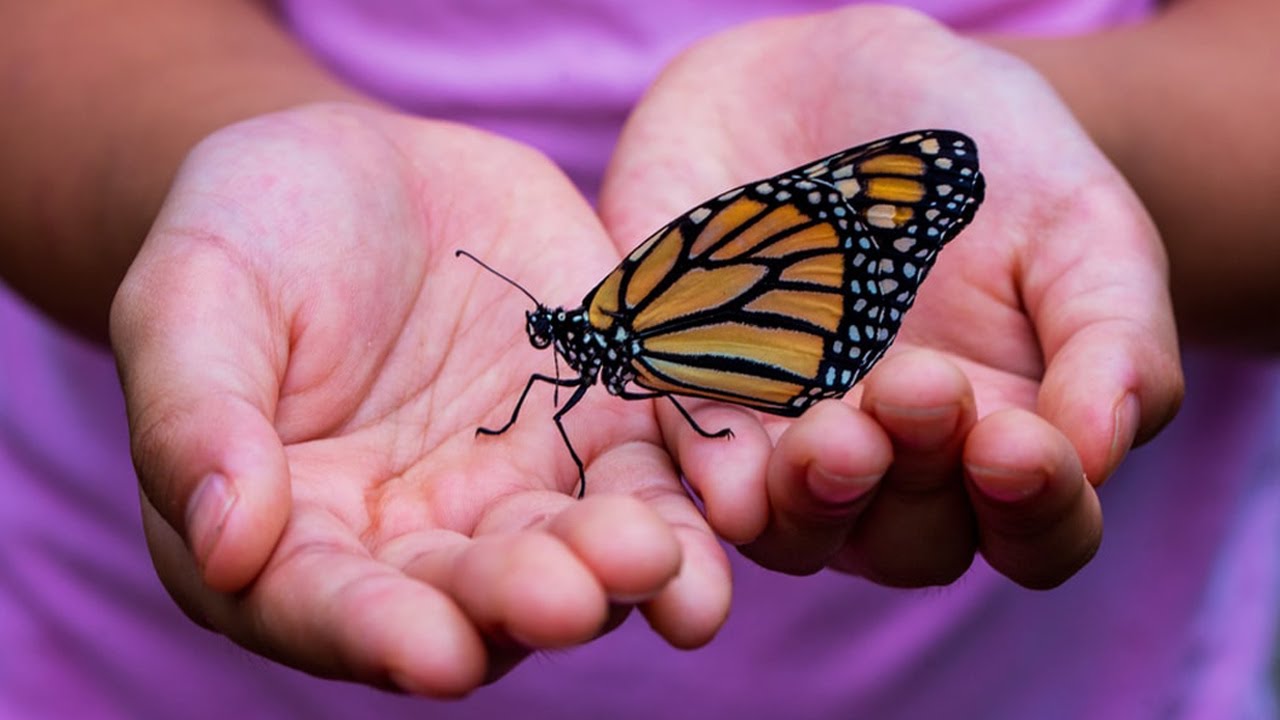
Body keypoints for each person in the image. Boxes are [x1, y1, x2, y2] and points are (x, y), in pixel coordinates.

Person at [1, 0, 1275, 717]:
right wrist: (227, 175)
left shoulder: (630, 316)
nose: (555, 348)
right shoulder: (607, 333)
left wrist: (1096, 143)